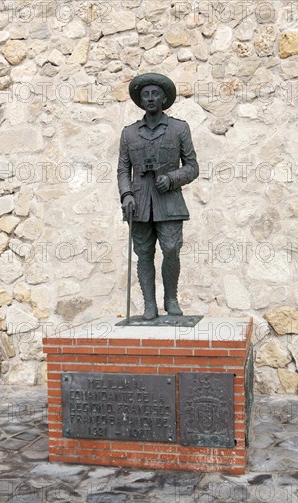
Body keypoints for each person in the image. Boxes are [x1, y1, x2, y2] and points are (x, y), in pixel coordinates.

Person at [117, 73, 199, 320]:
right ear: (140, 101)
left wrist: (172, 178)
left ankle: (170, 298)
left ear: (164, 98)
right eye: (145, 95)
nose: (150, 98)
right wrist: (126, 195)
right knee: (143, 254)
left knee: (171, 248)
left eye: (155, 94)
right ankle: (149, 304)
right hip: (140, 204)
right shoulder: (129, 133)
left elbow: (193, 166)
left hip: (169, 201)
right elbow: (123, 169)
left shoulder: (179, 128)